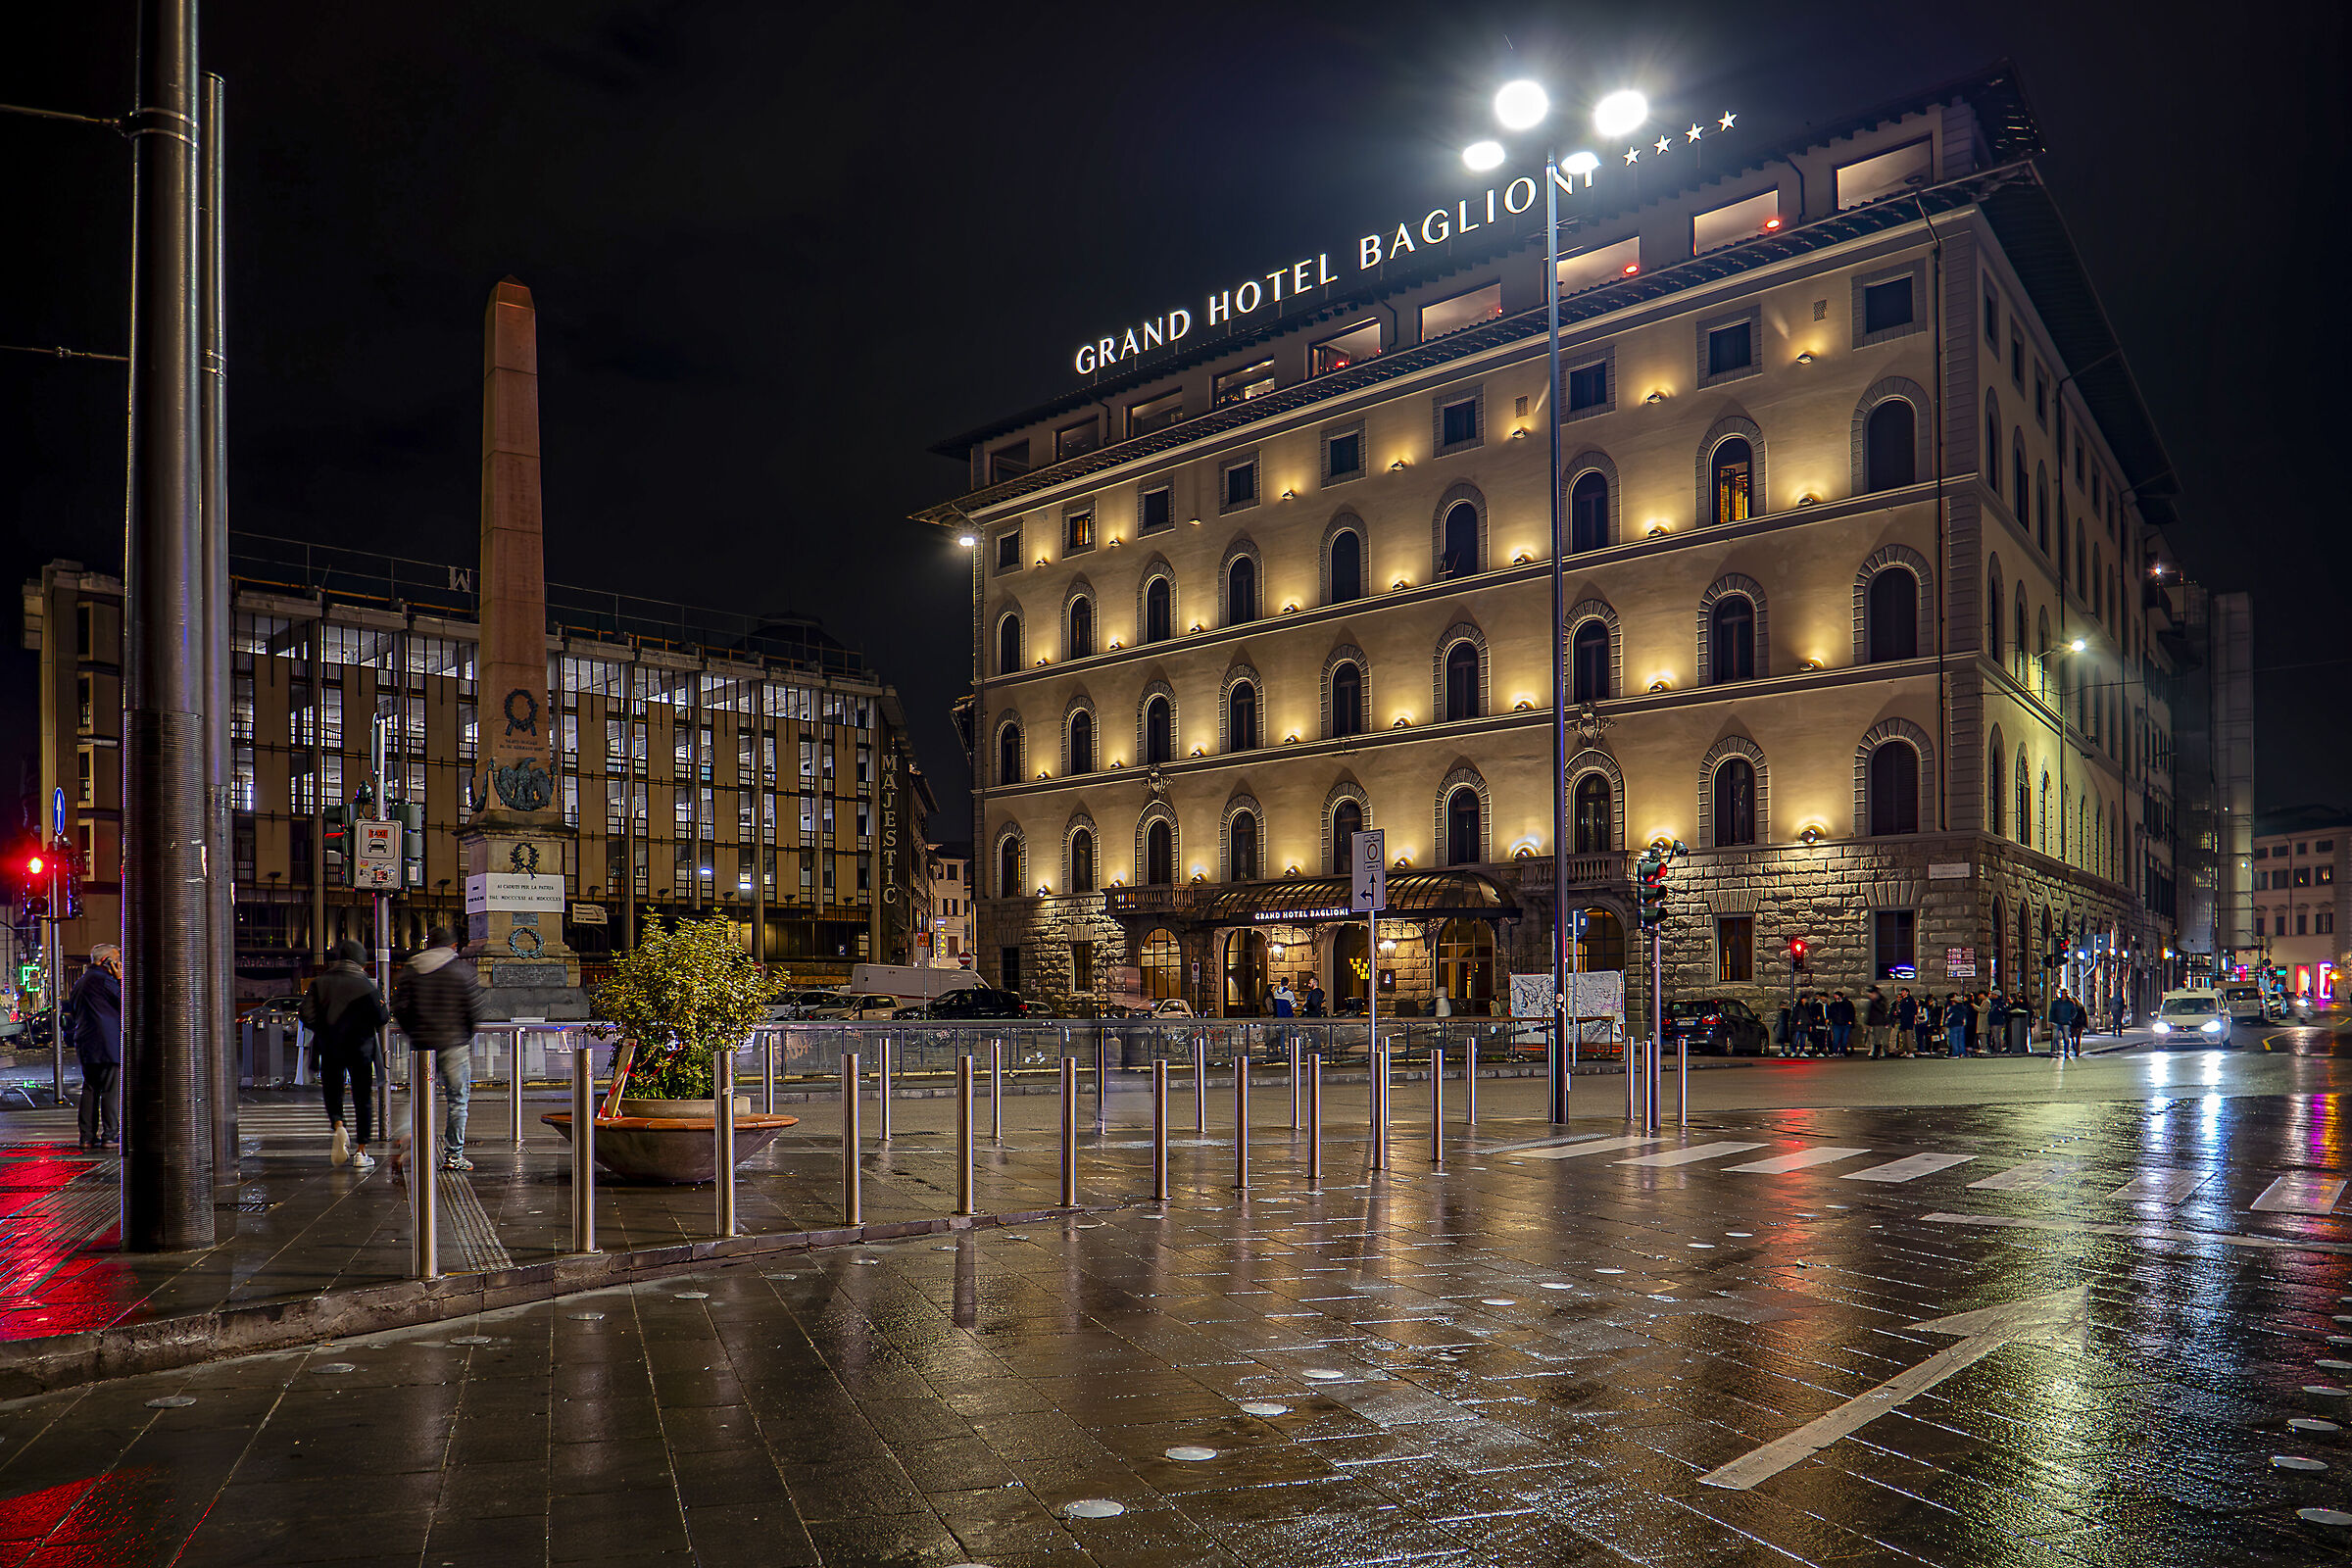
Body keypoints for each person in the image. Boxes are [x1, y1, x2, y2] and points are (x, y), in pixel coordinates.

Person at [391, 927, 484, 1172]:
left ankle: (408, 1134)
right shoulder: (461, 971)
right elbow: (473, 1009)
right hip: (454, 1044)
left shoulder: (412, 970)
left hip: (421, 1045)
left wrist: (414, 1031)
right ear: (453, 946)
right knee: (457, 1101)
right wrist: (465, 1034)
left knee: (418, 1096)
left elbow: (399, 1007)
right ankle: (453, 1155)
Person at [301, 938, 389, 1170]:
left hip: (330, 1047)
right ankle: (361, 1152)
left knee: (333, 1090)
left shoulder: (321, 983)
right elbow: (382, 1018)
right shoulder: (366, 985)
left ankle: (338, 1124)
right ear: (361, 961)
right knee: (362, 1098)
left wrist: (326, 1027)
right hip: (361, 1048)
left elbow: (306, 1015)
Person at [65, 945, 122, 1152]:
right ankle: (110, 1135)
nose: (119, 963)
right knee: (110, 1090)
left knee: (90, 1090)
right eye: (117, 959)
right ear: (106, 960)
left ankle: (87, 1137)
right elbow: (125, 1002)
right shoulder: (105, 980)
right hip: (107, 1044)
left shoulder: (80, 982)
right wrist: (120, 979)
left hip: (86, 1044)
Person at [1864, 986, 1891, 1058]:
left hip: (1879, 1022)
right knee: (1873, 1038)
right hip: (1873, 1022)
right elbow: (1870, 1013)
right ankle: (1875, 1053)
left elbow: (1883, 1010)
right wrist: (1868, 1023)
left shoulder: (1881, 1000)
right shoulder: (1872, 1001)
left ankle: (1877, 1053)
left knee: (1877, 1038)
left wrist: (1875, 1001)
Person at [1826, 991, 1856, 1056]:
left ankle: (1842, 1051)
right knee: (1836, 1038)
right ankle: (1835, 1051)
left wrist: (1850, 1021)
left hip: (1846, 1023)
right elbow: (1830, 1013)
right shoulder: (1833, 1004)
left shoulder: (1848, 1003)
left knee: (1844, 1039)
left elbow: (1852, 1013)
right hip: (1836, 1023)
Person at [1892, 987, 1918, 1058]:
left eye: (1903, 991)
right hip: (1903, 1021)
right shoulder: (1903, 1000)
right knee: (1903, 1037)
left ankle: (1910, 1051)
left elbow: (1914, 1010)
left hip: (1908, 1021)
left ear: (1907, 992)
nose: (1902, 993)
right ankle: (1904, 1050)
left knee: (1909, 1037)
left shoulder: (1910, 1000)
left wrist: (1910, 1016)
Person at [1945, 992, 1973, 1057]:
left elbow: (1949, 1016)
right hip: (1961, 1025)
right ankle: (1963, 1053)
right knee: (1961, 1040)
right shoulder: (1963, 1008)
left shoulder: (1952, 1008)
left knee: (1954, 1040)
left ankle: (1955, 1053)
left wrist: (1947, 1023)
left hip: (1954, 1025)